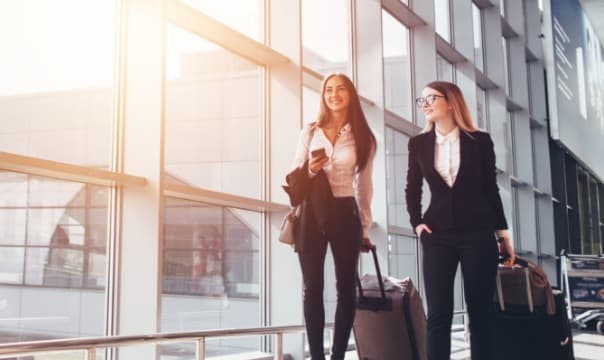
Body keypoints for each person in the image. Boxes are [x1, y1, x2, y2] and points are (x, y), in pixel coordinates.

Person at [405, 81, 516, 360]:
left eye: (431, 98)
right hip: (437, 235)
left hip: (478, 233)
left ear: (452, 102)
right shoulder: (418, 144)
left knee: (480, 313)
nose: (425, 104)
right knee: (439, 314)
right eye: (422, 99)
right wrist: (416, 223)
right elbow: (412, 188)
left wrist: (504, 236)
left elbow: (491, 191)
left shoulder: (480, 141)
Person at [289, 73, 376, 360]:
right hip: (312, 214)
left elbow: (364, 186)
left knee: (346, 287)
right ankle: (316, 356)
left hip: (344, 212)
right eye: (328, 89)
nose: (334, 94)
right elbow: (293, 177)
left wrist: (365, 227)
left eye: (340, 89)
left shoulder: (363, 137)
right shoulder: (310, 131)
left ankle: (338, 355)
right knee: (312, 287)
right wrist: (313, 170)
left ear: (350, 94)